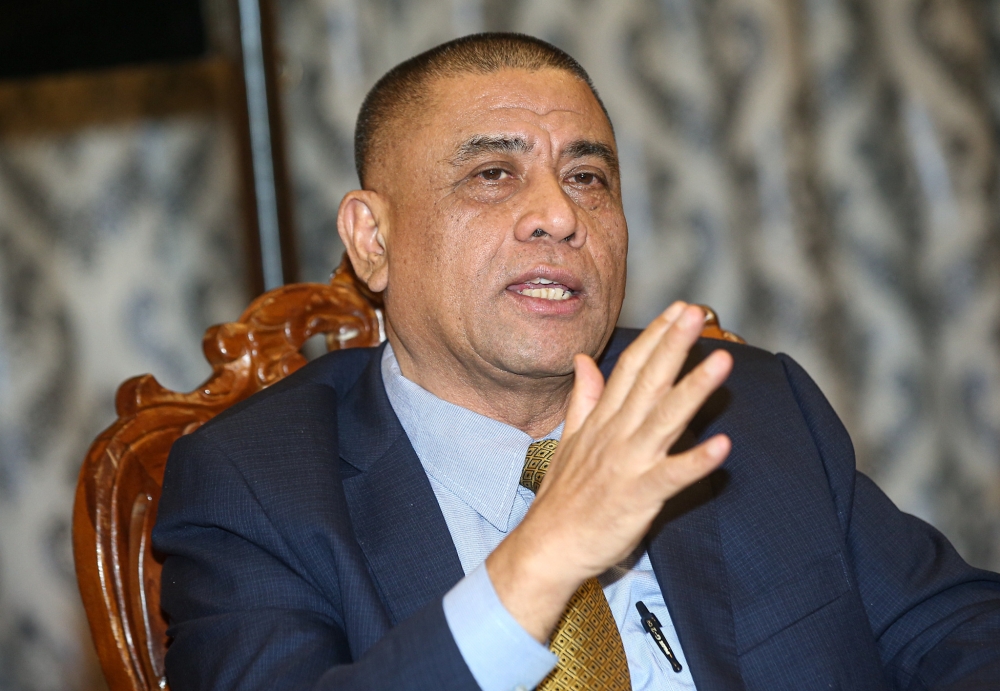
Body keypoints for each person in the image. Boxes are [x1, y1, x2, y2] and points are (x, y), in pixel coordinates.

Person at [153, 33, 1000, 690]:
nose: (558, 216)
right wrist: (549, 550)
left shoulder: (745, 405)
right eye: (492, 173)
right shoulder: (253, 489)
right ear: (373, 240)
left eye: (589, 177)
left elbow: (959, 633)